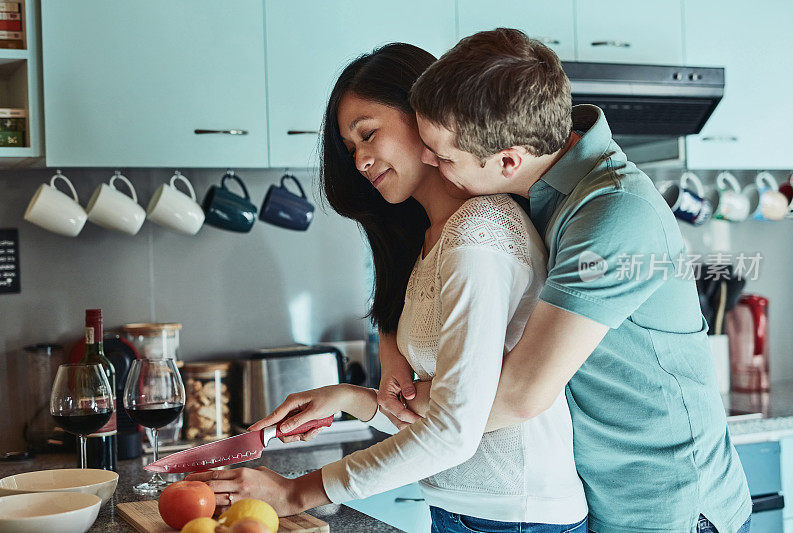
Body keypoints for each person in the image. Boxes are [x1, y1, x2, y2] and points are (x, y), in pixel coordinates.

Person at [186, 42, 589, 533]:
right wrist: (349, 399)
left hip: (518, 517)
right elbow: (433, 412)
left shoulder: (478, 234)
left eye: (368, 134)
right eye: (351, 148)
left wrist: (297, 491)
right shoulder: (429, 242)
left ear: (425, 117)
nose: (359, 160)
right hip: (467, 512)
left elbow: (455, 430)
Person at [375, 28, 751, 533]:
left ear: (509, 159)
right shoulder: (543, 188)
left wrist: (384, 409)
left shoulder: (614, 212)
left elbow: (520, 395)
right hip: (608, 502)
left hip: (669, 508)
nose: (428, 161)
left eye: (442, 156)